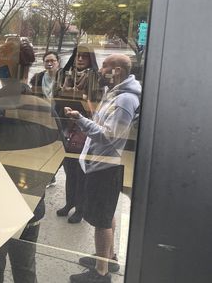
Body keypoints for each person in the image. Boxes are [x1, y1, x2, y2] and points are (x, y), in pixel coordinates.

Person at [0, 38, 56, 283]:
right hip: (31, 202)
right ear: (28, 69)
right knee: (25, 270)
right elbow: (56, 157)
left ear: (1, 71)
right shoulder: (43, 108)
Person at [66, 54, 141, 283]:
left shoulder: (125, 99)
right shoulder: (116, 92)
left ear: (117, 70)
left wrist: (80, 119)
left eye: (106, 66)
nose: (101, 70)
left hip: (106, 165)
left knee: (101, 219)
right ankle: (107, 257)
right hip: (103, 163)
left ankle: (101, 273)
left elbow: (109, 137)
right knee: (106, 214)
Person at [56, 45, 100, 223]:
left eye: (84, 56)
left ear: (90, 59)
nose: (80, 59)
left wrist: (78, 98)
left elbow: (95, 105)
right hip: (66, 127)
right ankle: (69, 203)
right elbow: (57, 96)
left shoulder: (94, 77)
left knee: (81, 171)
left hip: (84, 128)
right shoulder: (65, 75)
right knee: (69, 170)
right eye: (77, 56)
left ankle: (80, 208)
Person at [29, 51, 60, 188]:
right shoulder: (38, 77)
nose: (49, 63)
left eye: (52, 61)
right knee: (44, 148)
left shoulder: (65, 78)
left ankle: (50, 175)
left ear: (58, 62)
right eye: (47, 61)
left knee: (55, 149)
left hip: (58, 117)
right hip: (42, 117)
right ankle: (48, 176)